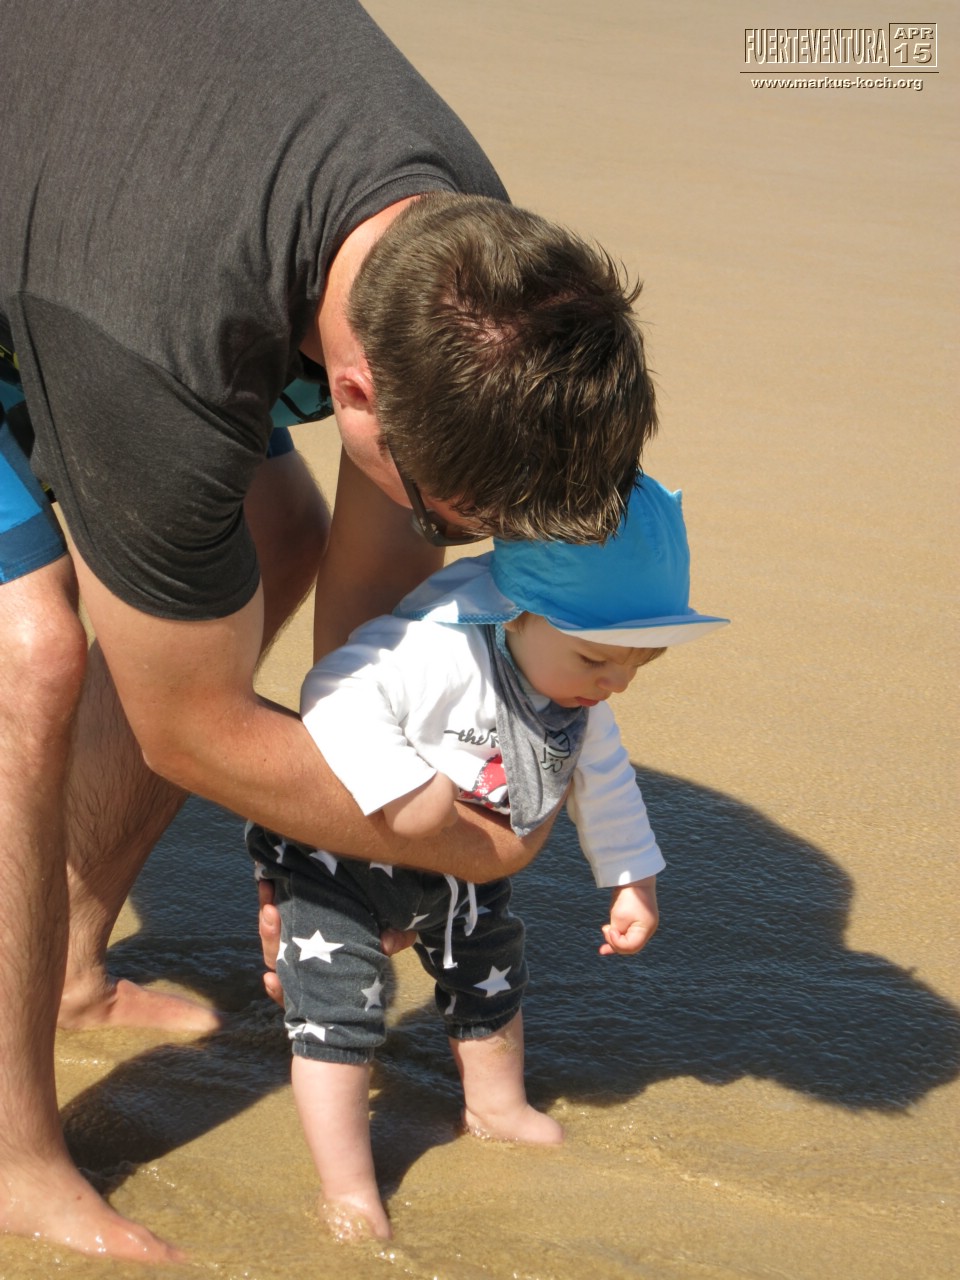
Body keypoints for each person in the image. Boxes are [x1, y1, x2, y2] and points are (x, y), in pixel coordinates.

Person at [0, 0, 659, 1261]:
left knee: (282, 533)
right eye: (456, 519)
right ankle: (11, 1152)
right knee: (33, 655)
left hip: (121, 168)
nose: (465, 549)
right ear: (355, 390)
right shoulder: (160, 336)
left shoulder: (478, 260)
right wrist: (467, 840)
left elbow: (372, 635)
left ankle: (66, 967)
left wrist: (330, 837)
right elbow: (190, 728)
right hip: (85, 257)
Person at [246, 475, 728, 1239]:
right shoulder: (438, 650)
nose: (616, 684)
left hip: (464, 864)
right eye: (597, 658)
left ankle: (497, 1106)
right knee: (340, 1015)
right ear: (515, 612)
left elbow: (603, 778)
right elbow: (333, 687)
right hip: (343, 859)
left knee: (492, 975)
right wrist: (402, 788)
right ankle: (347, 1186)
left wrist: (633, 879)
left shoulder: (575, 693)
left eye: (641, 664)